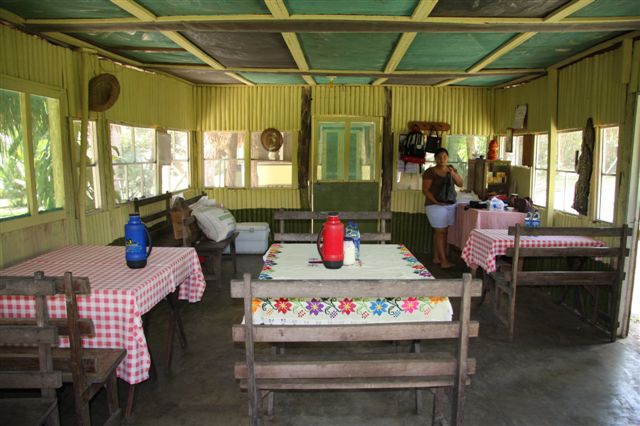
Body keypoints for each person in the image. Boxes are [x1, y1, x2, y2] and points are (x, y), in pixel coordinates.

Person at [422, 148, 463, 269]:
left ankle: (436, 257)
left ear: (448, 158)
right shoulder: (430, 172)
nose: (442, 159)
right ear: (435, 159)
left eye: (445, 157)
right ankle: (444, 261)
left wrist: (453, 173)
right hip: (435, 206)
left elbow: (460, 184)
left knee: (441, 232)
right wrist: (436, 202)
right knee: (441, 232)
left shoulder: (451, 170)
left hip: (450, 204)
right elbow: (425, 190)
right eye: (439, 157)